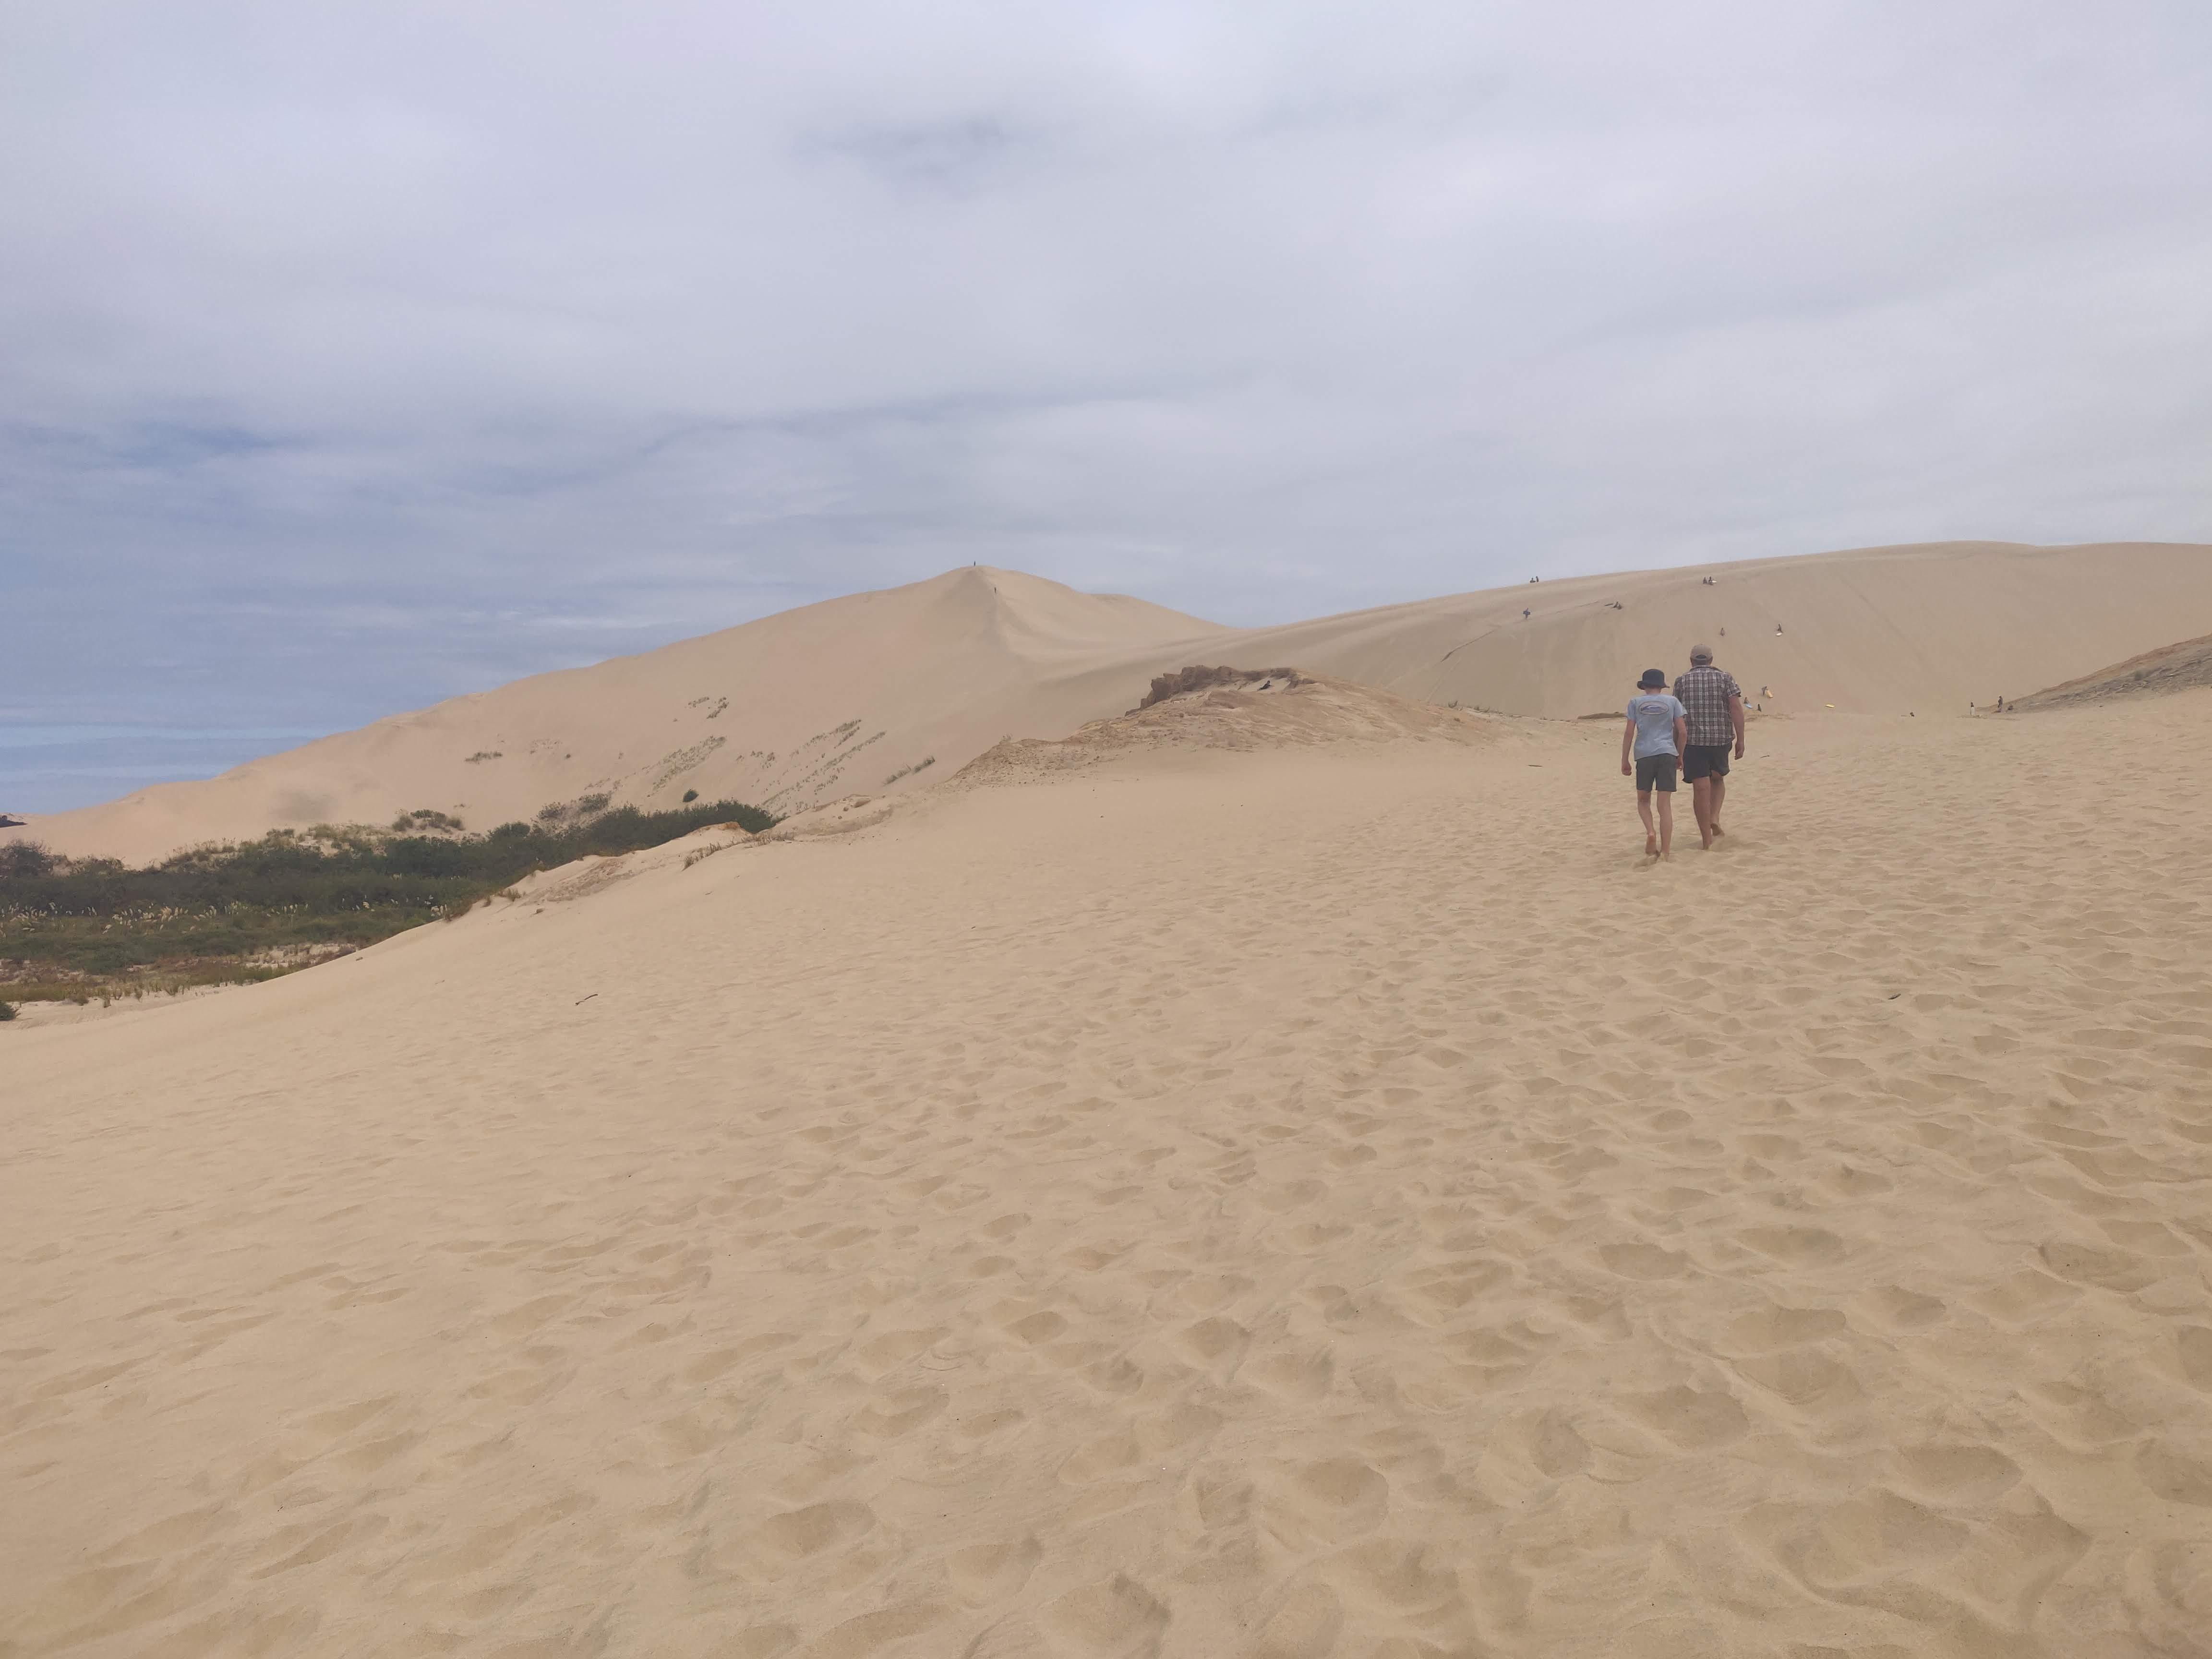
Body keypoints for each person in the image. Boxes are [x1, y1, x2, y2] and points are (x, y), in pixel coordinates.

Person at [1674, 644, 1745, 850]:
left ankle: (1706, 840)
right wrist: (1740, 739)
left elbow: (1676, 717)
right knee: (1718, 778)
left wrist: (1675, 746)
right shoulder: (1725, 678)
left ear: (1691, 661)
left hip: (1692, 742)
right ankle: (1714, 816)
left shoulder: (1682, 681)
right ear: (1711, 660)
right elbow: (1735, 708)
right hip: (1720, 739)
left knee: (1700, 787)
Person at [1621, 669, 1688, 862]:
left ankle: (1651, 832)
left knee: (1643, 800)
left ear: (1644, 686)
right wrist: (1680, 755)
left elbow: (1628, 733)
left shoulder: (1635, 703)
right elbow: (1682, 732)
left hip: (1644, 754)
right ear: (1661, 686)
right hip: (1667, 752)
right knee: (1664, 805)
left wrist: (1625, 759)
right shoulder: (1673, 702)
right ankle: (1666, 852)